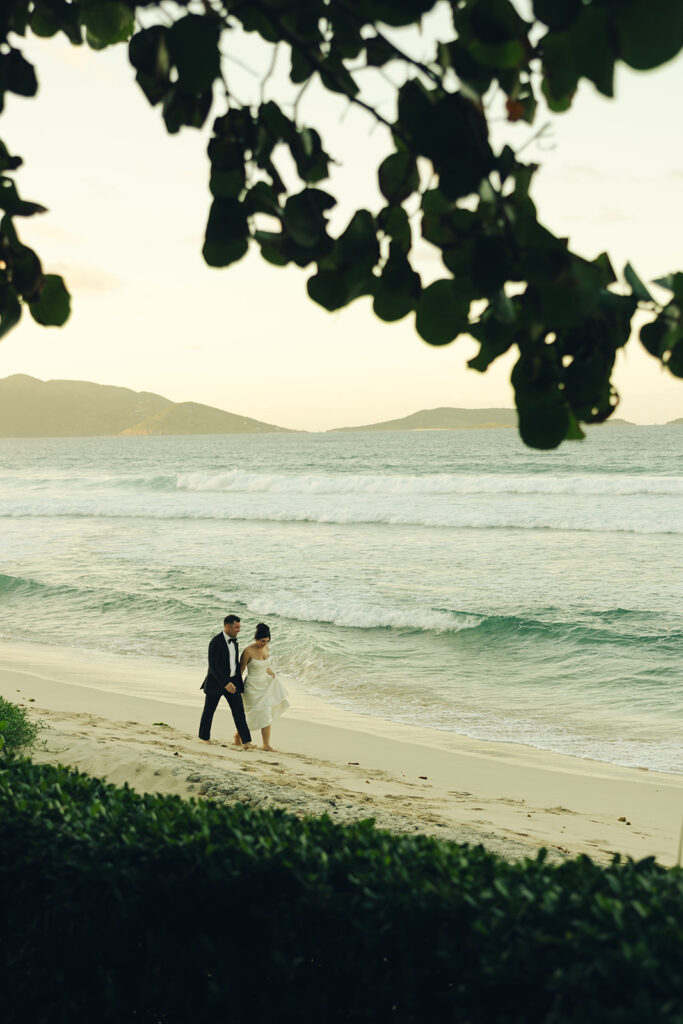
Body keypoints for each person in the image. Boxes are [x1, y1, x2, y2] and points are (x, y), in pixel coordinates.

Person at [198, 614, 255, 749]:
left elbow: (234, 664)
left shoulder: (234, 641)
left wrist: (236, 682)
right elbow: (213, 666)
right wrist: (225, 683)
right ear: (228, 626)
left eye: (239, 627)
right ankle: (204, 738)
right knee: (209, 711)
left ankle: (246, 742)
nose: (238, 630)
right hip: (216, 682)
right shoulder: (215, 642)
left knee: (239, 711)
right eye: (236, 627)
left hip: (233, 682)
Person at [239, 622, 289, 751]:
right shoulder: (248, 651)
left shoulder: (266, 648)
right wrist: (237, 688)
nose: (264, 644)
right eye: (262, 641)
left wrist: (272, 673)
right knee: (254, 714)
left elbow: (264, 666)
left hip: (264, 685)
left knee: (266, 714)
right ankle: (237, 736)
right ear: (256, 638)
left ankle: (266, 745)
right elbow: (241, 670)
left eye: (267, 641)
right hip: (252, 687)